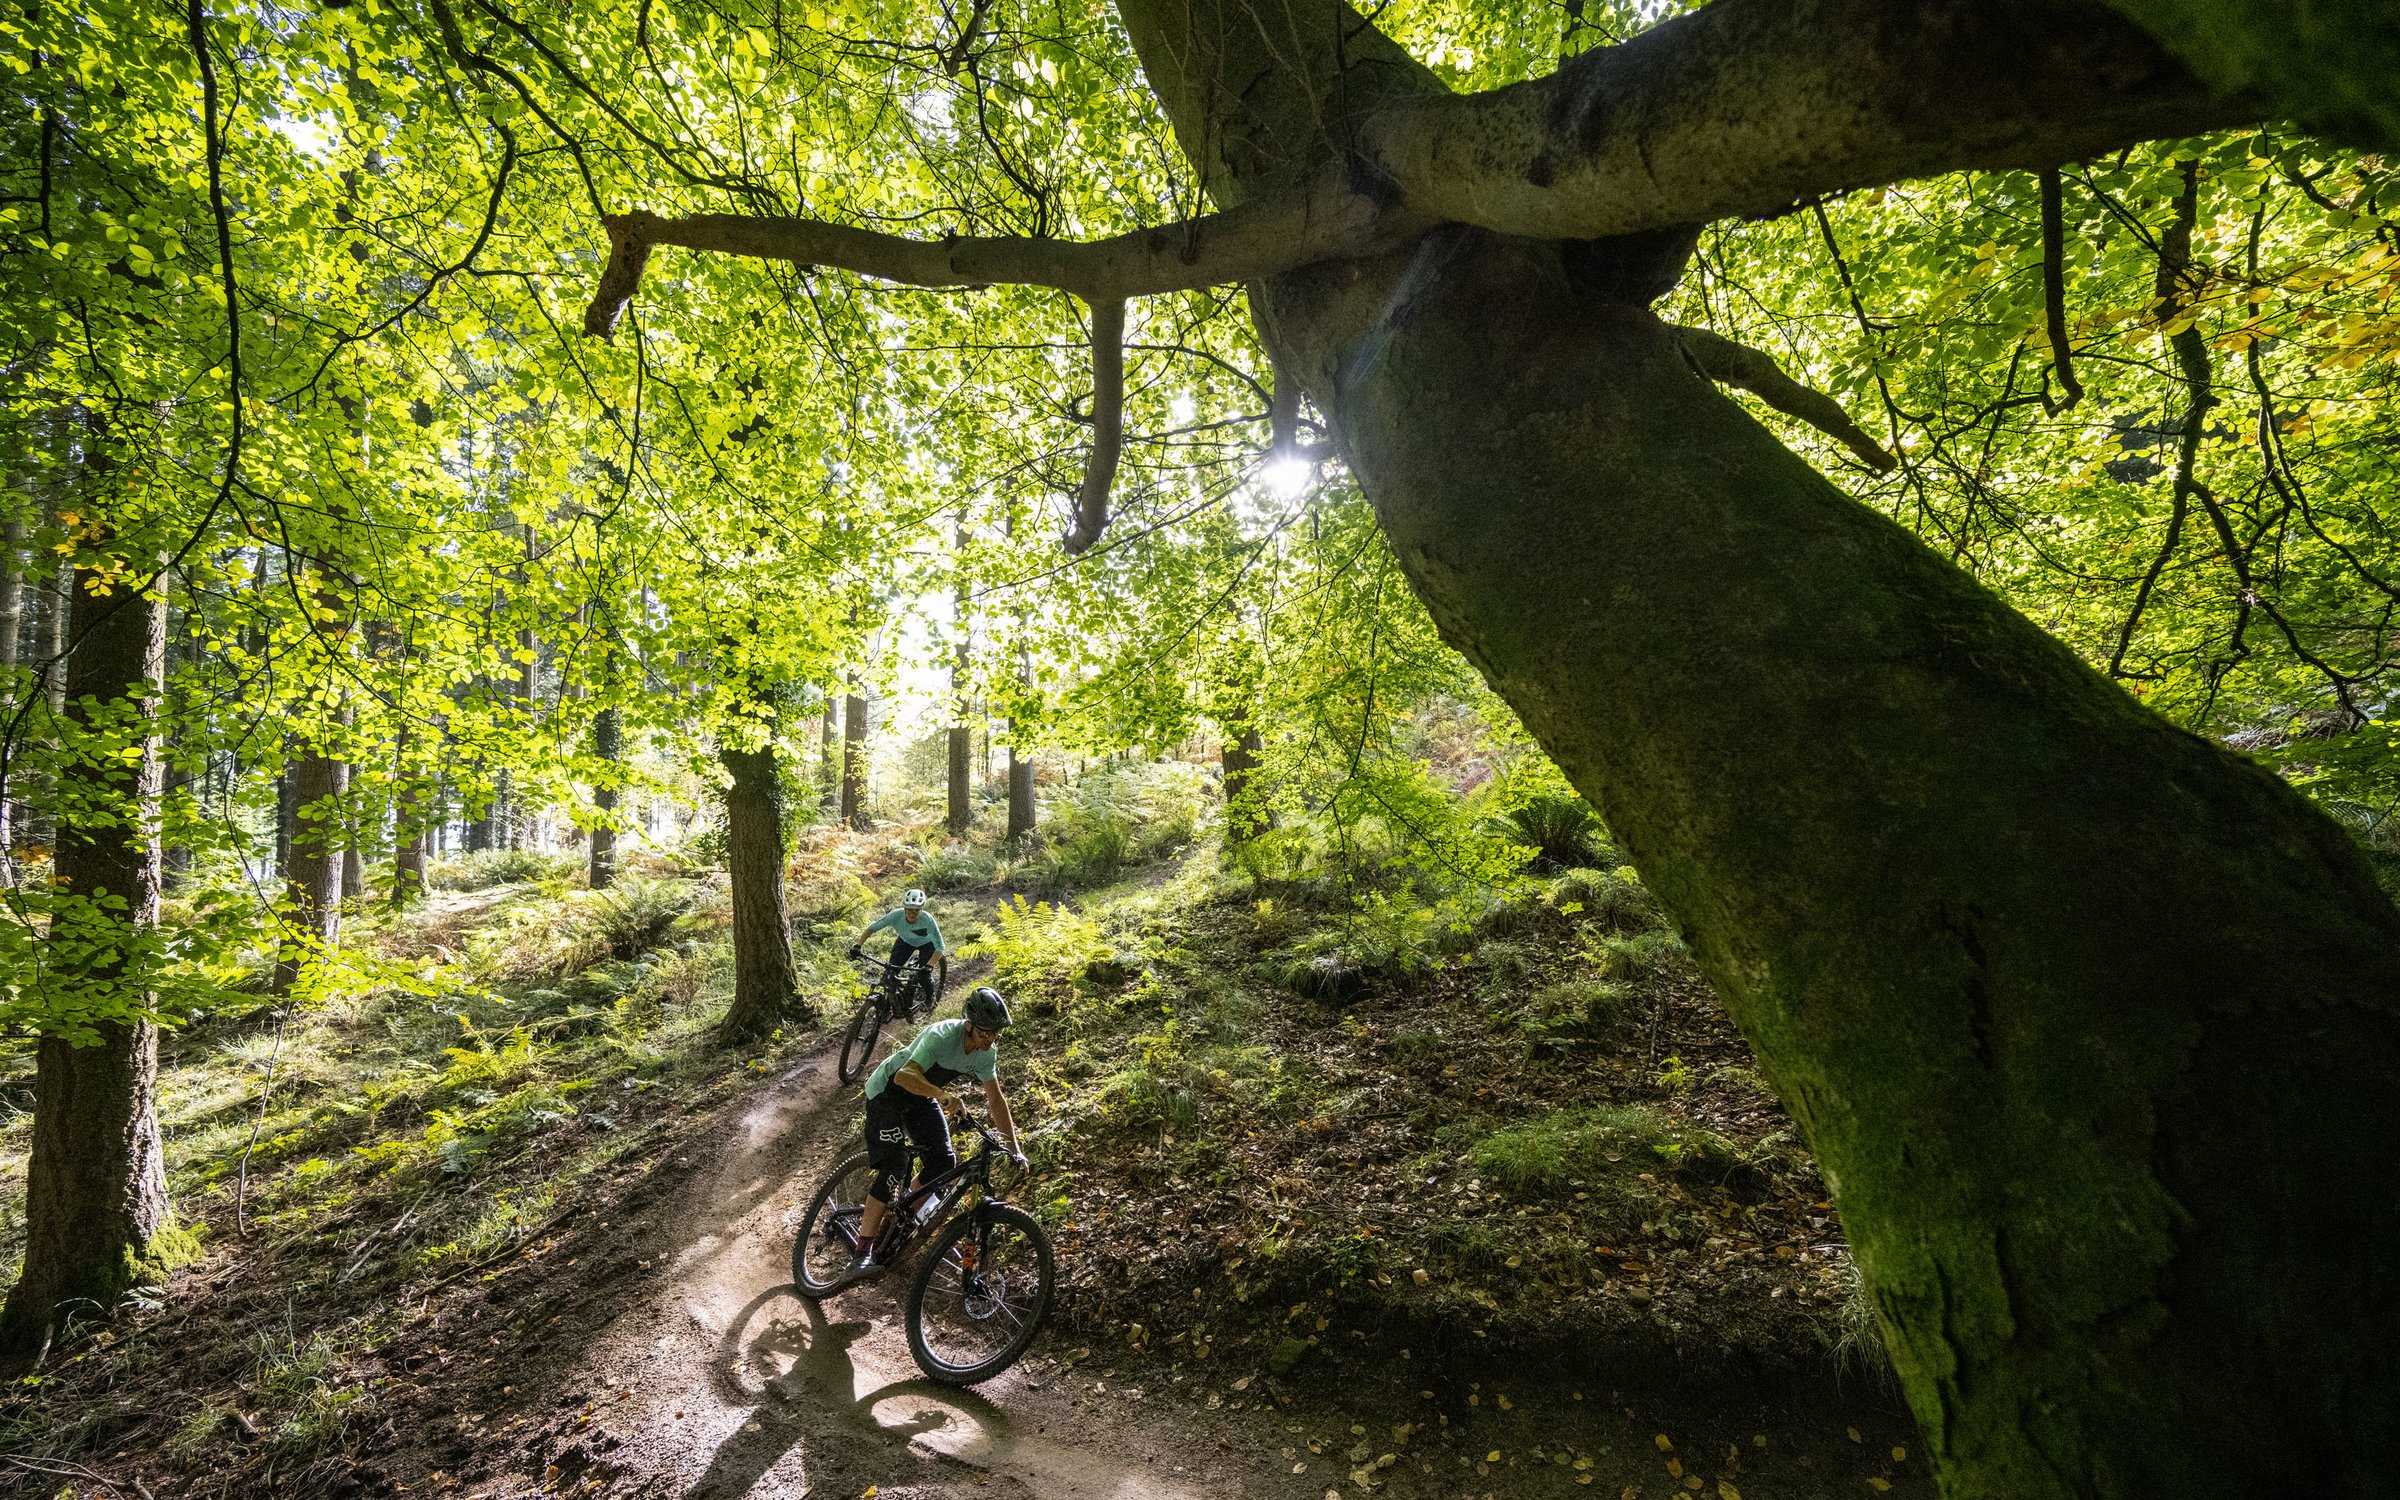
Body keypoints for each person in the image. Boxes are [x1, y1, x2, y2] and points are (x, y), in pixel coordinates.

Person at [844, 986, 1027, 1280]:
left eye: (995, 1033)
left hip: (920, 1098)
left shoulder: (985, 1052)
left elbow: (996, 1100)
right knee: (895, 1164)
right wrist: (942, 1095)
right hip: (888, 1092)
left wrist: (1014, 1148)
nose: (990, 1039)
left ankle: (899, 1219)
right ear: (969, 1024)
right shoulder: (942, 1036)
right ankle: (860, 1255)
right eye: (984, 1033)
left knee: (943, 1162)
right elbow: (904, 1075)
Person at [849, 888, 947, 1017]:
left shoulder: (927, 919)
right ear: (904, 908)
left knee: (923, 975)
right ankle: (888, 1006)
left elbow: (940, 946)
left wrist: (930, 965)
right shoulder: (895, 915)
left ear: (921, 910)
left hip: (927, 944)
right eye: (910, 909)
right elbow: (872, 928)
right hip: (905, 941)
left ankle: (930, 998)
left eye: (916, 910)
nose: (913, 913)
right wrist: (858, 945)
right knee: (890, 973)